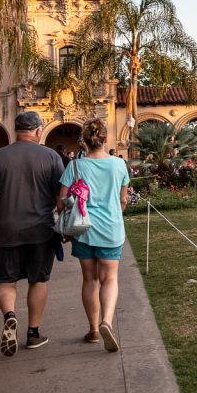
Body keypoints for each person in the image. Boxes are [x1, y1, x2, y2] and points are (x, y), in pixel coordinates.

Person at [0, 111, 65, 357]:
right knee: (38, 280)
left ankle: (10, 315)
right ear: (38, 131)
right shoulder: (51, 157)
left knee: (5, 280)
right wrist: (64, 224)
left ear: (16, 130)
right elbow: (60, 200)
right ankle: (34, 333)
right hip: (41, 231)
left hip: (6, 232)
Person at [57, 118, 130, 353]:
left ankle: (94, 330)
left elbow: (61, 202)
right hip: (111, 230)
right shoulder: (119, 165)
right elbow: (123, 200)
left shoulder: (75, 167)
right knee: (110, 278)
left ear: (84, 141)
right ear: (105, 138)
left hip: (83, 230)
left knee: (90, 279)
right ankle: (107, 321)